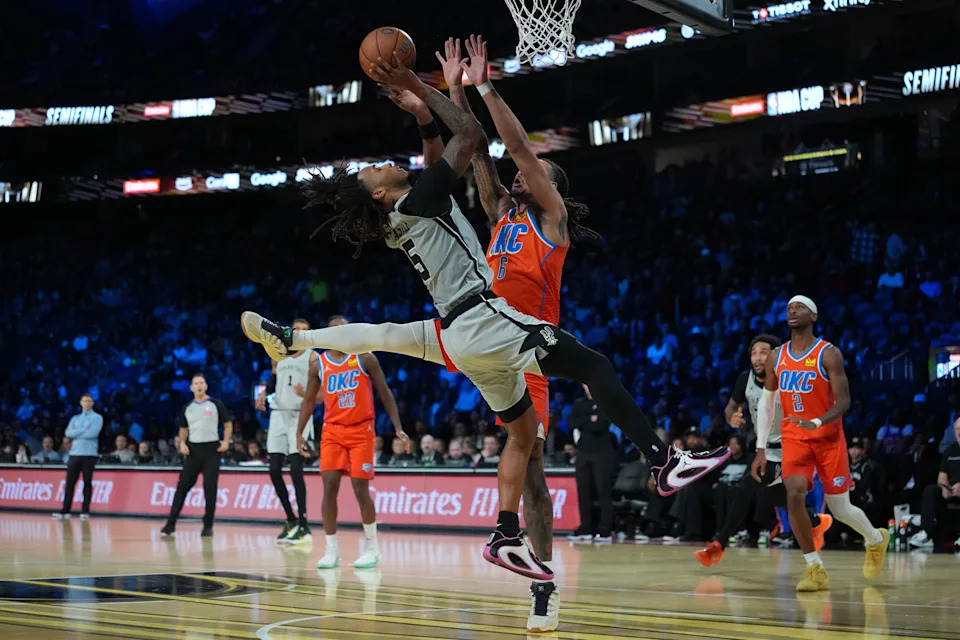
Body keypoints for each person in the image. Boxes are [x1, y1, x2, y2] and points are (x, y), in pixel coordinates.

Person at [240, 50, 727, 584]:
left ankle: (504, 533)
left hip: (458, 333)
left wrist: (425, 110)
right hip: (487, 322)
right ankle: (661, 460)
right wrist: (430, 86)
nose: (384, 162)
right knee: (596, 368)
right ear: (380, 192)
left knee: (400, 345)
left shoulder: (419, 209)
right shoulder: (433, 202)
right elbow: (470, 140)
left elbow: (446, 154)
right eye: (375, 169)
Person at [752, 296, 889, 592]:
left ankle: (876, 539)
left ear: (813, 315)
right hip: (794, 437)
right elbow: (767, 402)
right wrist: (761, 447)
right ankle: (815, 567)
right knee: (795, 493)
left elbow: (844, 402)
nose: (792, 310)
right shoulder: (778, 356)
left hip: (827, 438)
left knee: (841, 510)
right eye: (788, 307)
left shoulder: (828, 354)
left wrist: (815, 422)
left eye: (799, 307)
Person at [696, 335, 832, 566]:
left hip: (792, 447)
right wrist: (732, 418)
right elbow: (731, 407)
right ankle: (816, 523)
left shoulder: (789, 378)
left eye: (764, 352)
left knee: (746, 487)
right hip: (764, 449)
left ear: (776, 354)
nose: (758, 358)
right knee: (772, 494)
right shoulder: (744, 379)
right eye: (754, 353)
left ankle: (719, 545)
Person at [296, 316, 410, 569]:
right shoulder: (319, 364)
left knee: (360, 488)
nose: (338, 333)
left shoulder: (365, 357)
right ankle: (331, 550)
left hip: (361, 430)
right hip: (332, 430)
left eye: (342, 329)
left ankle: (372, 547)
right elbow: (308, 401)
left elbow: (385, 392)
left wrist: (398, 427)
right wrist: (299, 432)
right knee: (329, 486)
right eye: (333, 329)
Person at [256, 317, 317, 544]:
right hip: (278, 415)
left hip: (299, 417)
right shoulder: (278, 354)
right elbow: (274, 379)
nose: (300, 332)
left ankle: (304, 524)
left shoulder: (313, 357)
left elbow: (320, 394)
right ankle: (290, 519)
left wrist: (308, 395)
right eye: (297, 329)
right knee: (273, 470)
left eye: (304, 330)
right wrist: (263, 394)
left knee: (296, 471)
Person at [161, 373, 233, 537]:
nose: (199, 385)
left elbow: (227, 424)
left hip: (212, 451)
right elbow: (183, 429)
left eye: (202, 382)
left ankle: (208, 525)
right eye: (196, 383)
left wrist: (226, 442)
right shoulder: (187, 407)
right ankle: (170, 524)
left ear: (206, 386)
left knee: (210, 488)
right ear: (191, 388)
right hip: (194, 451)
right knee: (182, 487)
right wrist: (182, 443)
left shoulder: (216, 404)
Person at [568, 385, 617, 543]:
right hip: (583, 452)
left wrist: (584, 421)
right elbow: (571, 422)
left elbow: (601, 425)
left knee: (603, 491)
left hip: (602, 453)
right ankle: (586, 528)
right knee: (583, 492)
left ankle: (605, 531)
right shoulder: (579, 403)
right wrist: (590, 418)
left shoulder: (605, 402)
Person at [909, 418, 960, 549]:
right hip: (951, 491)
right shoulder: (950, 451)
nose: (959, 432)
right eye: (957, 429)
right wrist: (944, 487)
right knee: (930, 490)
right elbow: (941, 477)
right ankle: (926, 533)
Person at [53, 393, 103, 520]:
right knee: (69, 483)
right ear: (81, 403)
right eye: (85, 401)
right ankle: (65, 510)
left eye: (89, 401)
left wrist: (76, 433)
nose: (87, 403)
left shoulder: (97, 418)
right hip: (74, 454)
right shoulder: (75, 418)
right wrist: (83, 430)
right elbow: (68, 433)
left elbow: (93, 433)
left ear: (93, 403)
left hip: (89, 454)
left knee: (87, 482)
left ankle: (85, 511)